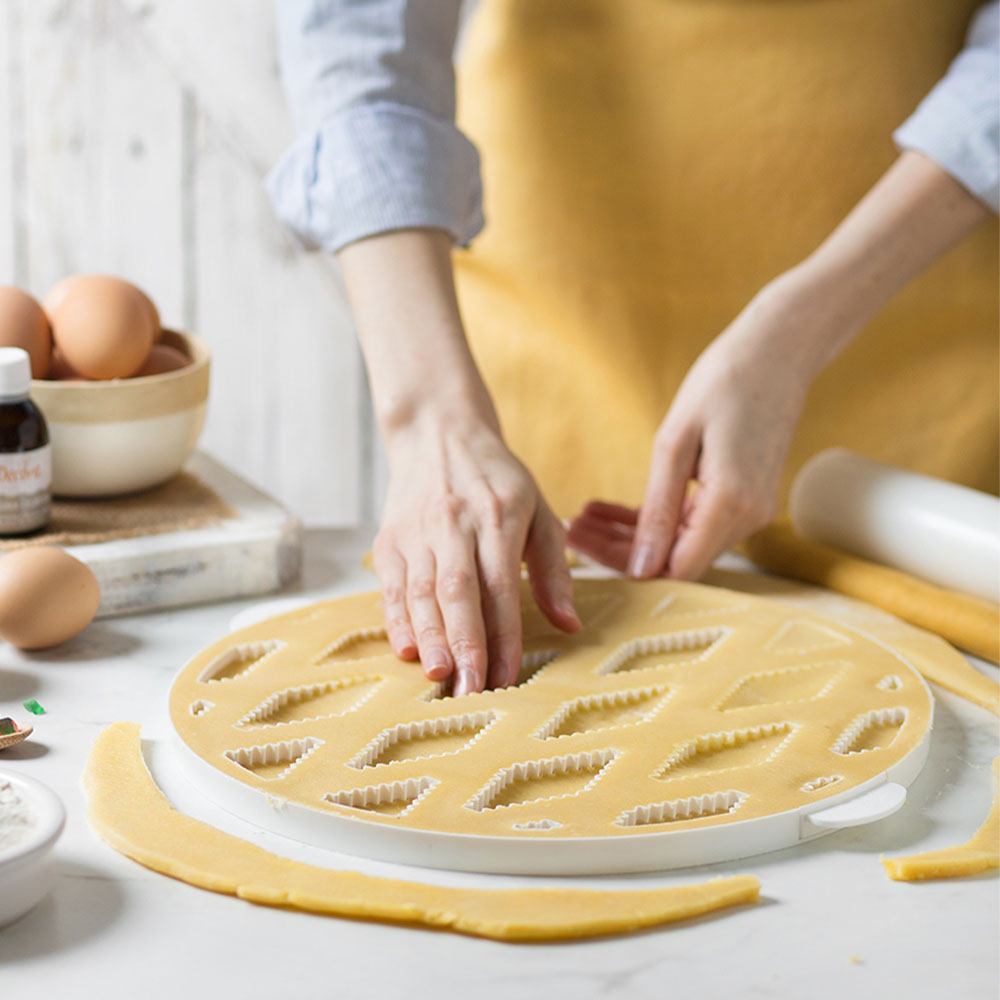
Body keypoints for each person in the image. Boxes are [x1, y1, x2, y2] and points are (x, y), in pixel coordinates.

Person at [268, 0, 999, 697]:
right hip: (556, 324)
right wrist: (431, 418)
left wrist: (799, 330)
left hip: (915, 288)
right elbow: (357, 36)